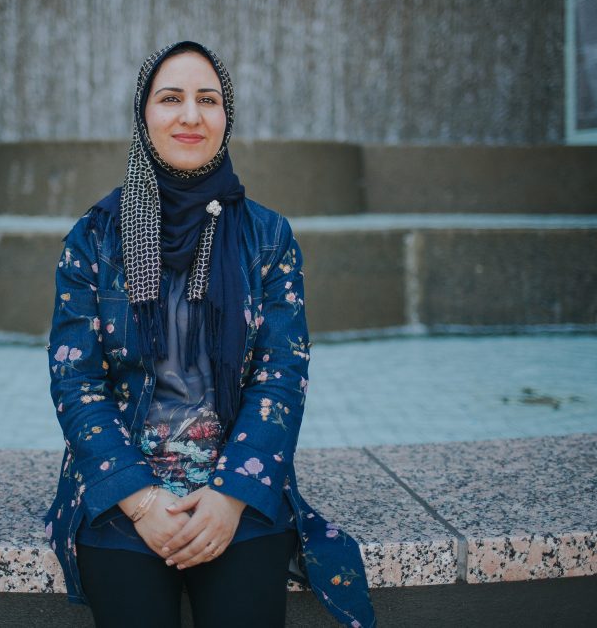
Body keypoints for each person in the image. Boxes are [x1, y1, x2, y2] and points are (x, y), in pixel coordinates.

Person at [43, 40, 377, 628]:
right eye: (171, 98)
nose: (191, 116)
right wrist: (141, 500)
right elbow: (77, 381)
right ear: (144, 115)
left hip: (240, 491)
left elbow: (283, 375)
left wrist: (230, 496)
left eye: (209, 99)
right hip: (123, 496)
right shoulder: (94, 239)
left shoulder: (268, 237)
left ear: (228, 116)